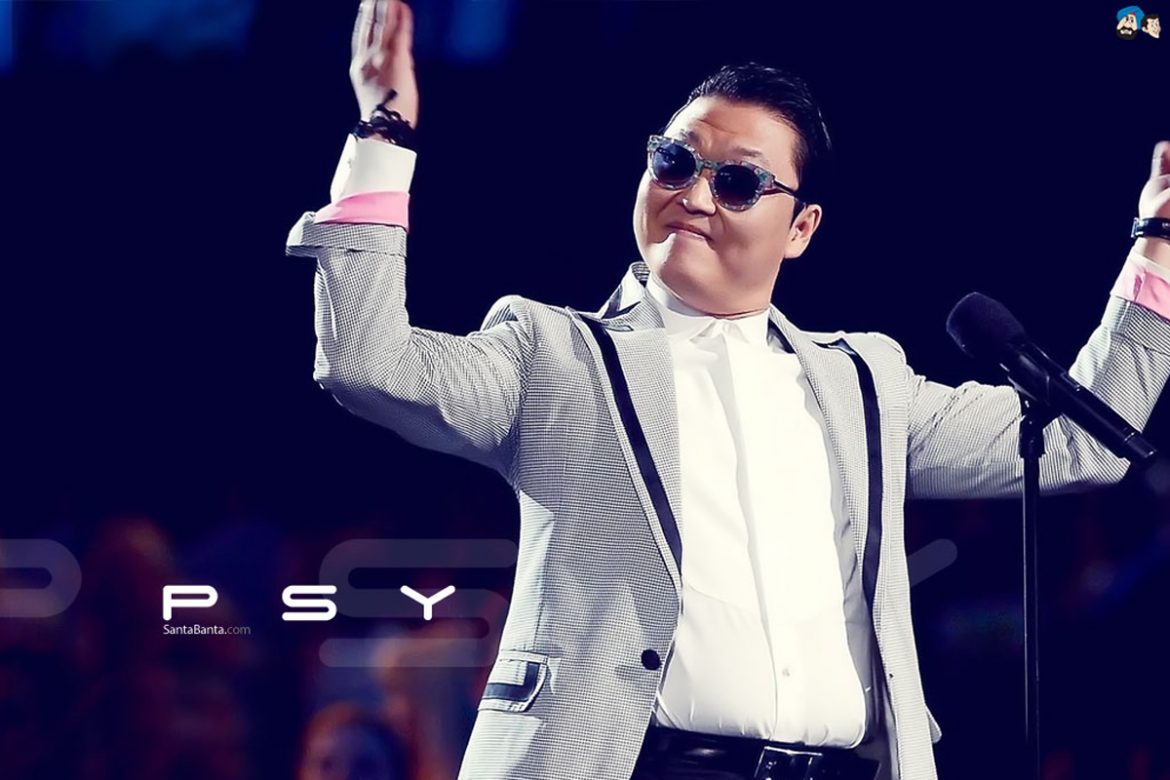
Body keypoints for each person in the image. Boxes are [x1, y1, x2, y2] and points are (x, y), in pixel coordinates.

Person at [286, 1, 1170, 778]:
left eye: (739, 181)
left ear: (801, 229)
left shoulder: (864, 382)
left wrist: (1157, 245)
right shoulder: (556, 353)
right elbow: (369, 363)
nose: (696, 195)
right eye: (675, 162)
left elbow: (1083, 441)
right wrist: (384, 135)